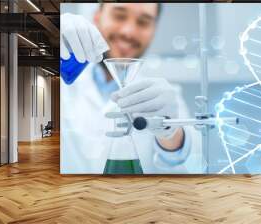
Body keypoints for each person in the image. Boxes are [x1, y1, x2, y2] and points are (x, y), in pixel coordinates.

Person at [60, 3, 204, 174]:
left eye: (143, 22)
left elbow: (193, 167)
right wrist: (51, 39)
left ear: (153, 30)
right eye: (119, 16)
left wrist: (171, 133)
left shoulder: (163, 97)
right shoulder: (63, 80)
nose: (128, 32)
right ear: (97, 17)